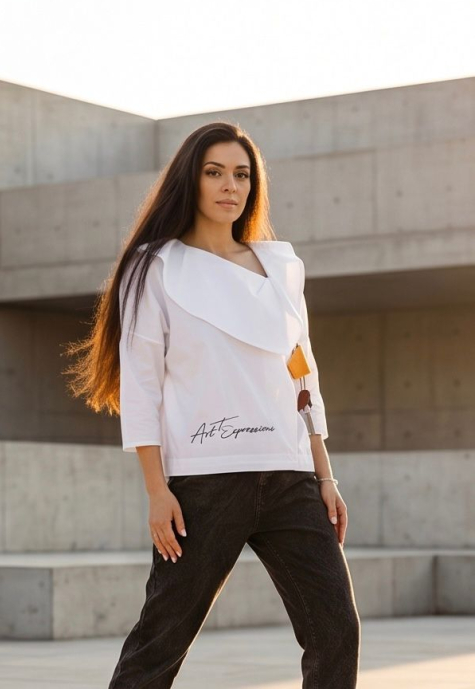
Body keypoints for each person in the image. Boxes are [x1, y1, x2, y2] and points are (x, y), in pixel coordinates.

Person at [64, 121, 361, 688]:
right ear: (191, 180)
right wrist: (157, 491)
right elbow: (142, 385)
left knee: (336, 631)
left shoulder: (281, 268)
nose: (231, 186)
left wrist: (325, 475)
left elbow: (303, 373)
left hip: (290, 476)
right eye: (215, 172)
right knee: (159, 644)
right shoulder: (155, 267)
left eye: (242, 175)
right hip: (203, 485)